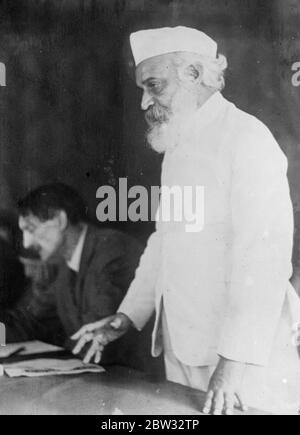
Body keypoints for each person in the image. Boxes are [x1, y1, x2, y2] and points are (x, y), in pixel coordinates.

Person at [72, 26, 300, 414]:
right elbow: (165, 242)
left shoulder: (248, 139)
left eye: (154, 86)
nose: (144, 102)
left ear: (194, 75)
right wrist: (127, 316)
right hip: (182, 348)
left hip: (243, 363)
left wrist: (231, 366)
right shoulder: (176, 147)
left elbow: (263, 263)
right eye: (142, 89)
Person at [1, 183, 150, 370]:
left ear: (60, 220)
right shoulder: (62, 264)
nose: (26, 243)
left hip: (135, 381)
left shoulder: (112, 251)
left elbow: (99, 335)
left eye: (31, 229)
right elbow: (29, 322)